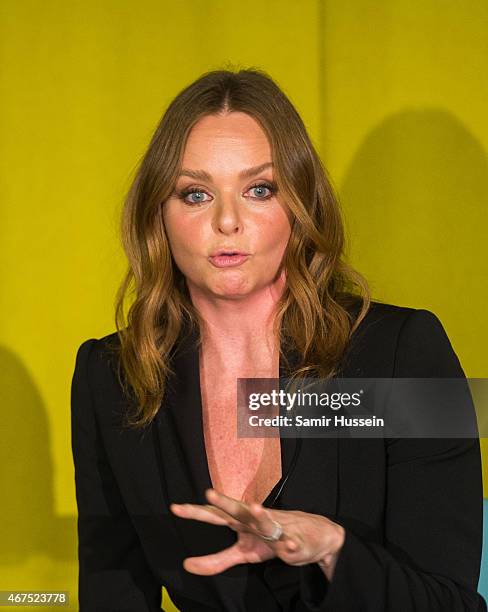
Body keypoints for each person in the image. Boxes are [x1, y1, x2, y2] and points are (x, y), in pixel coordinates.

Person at [70, 68, 486, 611]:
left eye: (258, 189)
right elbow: (112, 594)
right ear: (159, 216)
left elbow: (453, 604)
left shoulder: (405, 352)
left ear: (299, 205)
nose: (227, 221)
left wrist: (335, 551)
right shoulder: (112, 374)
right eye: (195, 194)